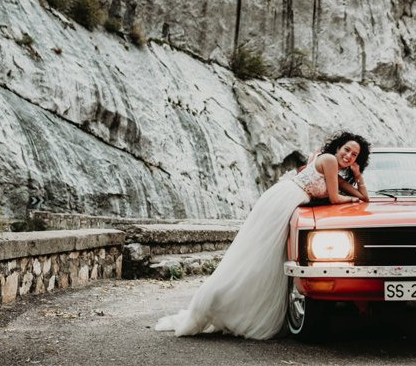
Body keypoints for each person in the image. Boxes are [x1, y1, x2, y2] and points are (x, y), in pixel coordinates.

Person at [154, 131, 371, 339]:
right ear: (338, 147)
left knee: (264, 260)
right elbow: (336, 198)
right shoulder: (329, 160)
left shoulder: (333, 168)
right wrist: (351, 199)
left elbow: (364, 197)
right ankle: (215, 300)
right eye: (346, 149)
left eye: (354, 155)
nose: (348, 155)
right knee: (259, 257)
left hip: (288, 201)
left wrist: (358, 175)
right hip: (286, 201)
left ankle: (235, 305)